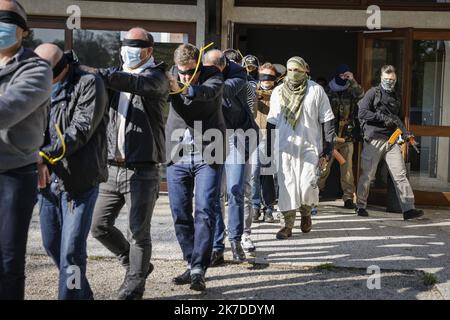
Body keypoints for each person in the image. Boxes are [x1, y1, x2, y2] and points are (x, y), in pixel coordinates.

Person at [90, 28, 169, 300]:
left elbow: (137, 84)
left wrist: (97, 72)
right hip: (111, 168)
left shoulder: (156, 77)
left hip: (143, 169)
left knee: (138, 232)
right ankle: (137, 264)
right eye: (126, 44)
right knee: (98, 225)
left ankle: (134, 285)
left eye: (135, 45)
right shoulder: (115, 76)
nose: (129, 49)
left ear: (148, 50)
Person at [35, 44, 108, 300]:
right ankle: (83, 295)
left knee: (71, 252)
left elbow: (80, 130)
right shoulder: (37, 84)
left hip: (79, 182)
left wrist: (43, 155)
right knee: (52, 245)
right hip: (48, 182)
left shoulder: (89, 84)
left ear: (63, 67)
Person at [0, 0, 52, 300]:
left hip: (12, 175)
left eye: (6, 22)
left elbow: (7, 110)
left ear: (23, 32)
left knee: (7, 260)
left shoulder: (35, 69)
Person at [166, 44, 225, 291]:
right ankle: (191, 262)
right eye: (182, 72)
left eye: (190, 72)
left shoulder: (214, 77)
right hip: (177, 152)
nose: (186, 76)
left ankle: (199, 268)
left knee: (204, 210)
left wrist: (182, 87)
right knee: (180, 212)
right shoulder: (168, 74)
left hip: (208, 152)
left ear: (199, 65)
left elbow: (204, 93)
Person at [266, 56, 335, 240]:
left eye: (297, 70)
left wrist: (327, 150)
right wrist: (269, 148)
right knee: (286, 186)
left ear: (305, 70)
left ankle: (306, 213)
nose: (293, 73)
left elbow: (328, 121)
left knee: (307, 186)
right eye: (289, 70)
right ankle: (286, 225)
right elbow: (272, 121)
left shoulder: (316, 91)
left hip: (310, 147)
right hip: (285, 148)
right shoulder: (278, 92)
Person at [203, 49, 257, 263]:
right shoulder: (203, 71)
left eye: (214, 71)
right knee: (215, 193)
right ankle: (217, 246)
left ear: (223, 66)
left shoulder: (239, 73)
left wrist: (200, 88)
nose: (210, 74)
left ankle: (235, 240)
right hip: (212, 135)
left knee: (235, 189)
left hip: (237, 133)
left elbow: (223, 91)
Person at [356, 65, 424, 220]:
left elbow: (398, 119)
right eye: (386, 79)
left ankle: (408, 209)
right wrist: (382, 118)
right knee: (368, 175)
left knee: (400, 175)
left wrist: (405, 134)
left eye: (392, 80)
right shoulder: (373, 93)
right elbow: (362, 112)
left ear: (396, 79)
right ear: (381, 78)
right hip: (374, 140)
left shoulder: (396, 97)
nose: (389, 82)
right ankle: (360, 206)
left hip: (392, 141)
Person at [318, 64, 364, 209]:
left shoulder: (350, 89)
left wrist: (353, 80)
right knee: (323, 167)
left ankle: (348, 198)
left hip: (346, 137)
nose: (344, 78)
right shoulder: (327, 90)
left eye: (346, 75)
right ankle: (315, 192)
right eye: (342, 75)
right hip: (329, 137)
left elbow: (361, 95)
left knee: (347, 168)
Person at [251, 62, 278, 224]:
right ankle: (255, 206)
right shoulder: (252, 91)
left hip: (273, 137)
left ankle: (268, 207)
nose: (267, 80)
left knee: (268, 174)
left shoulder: (279, 93)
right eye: (264, 77)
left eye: (270, 77)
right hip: (255, 135)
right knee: (253, 172)